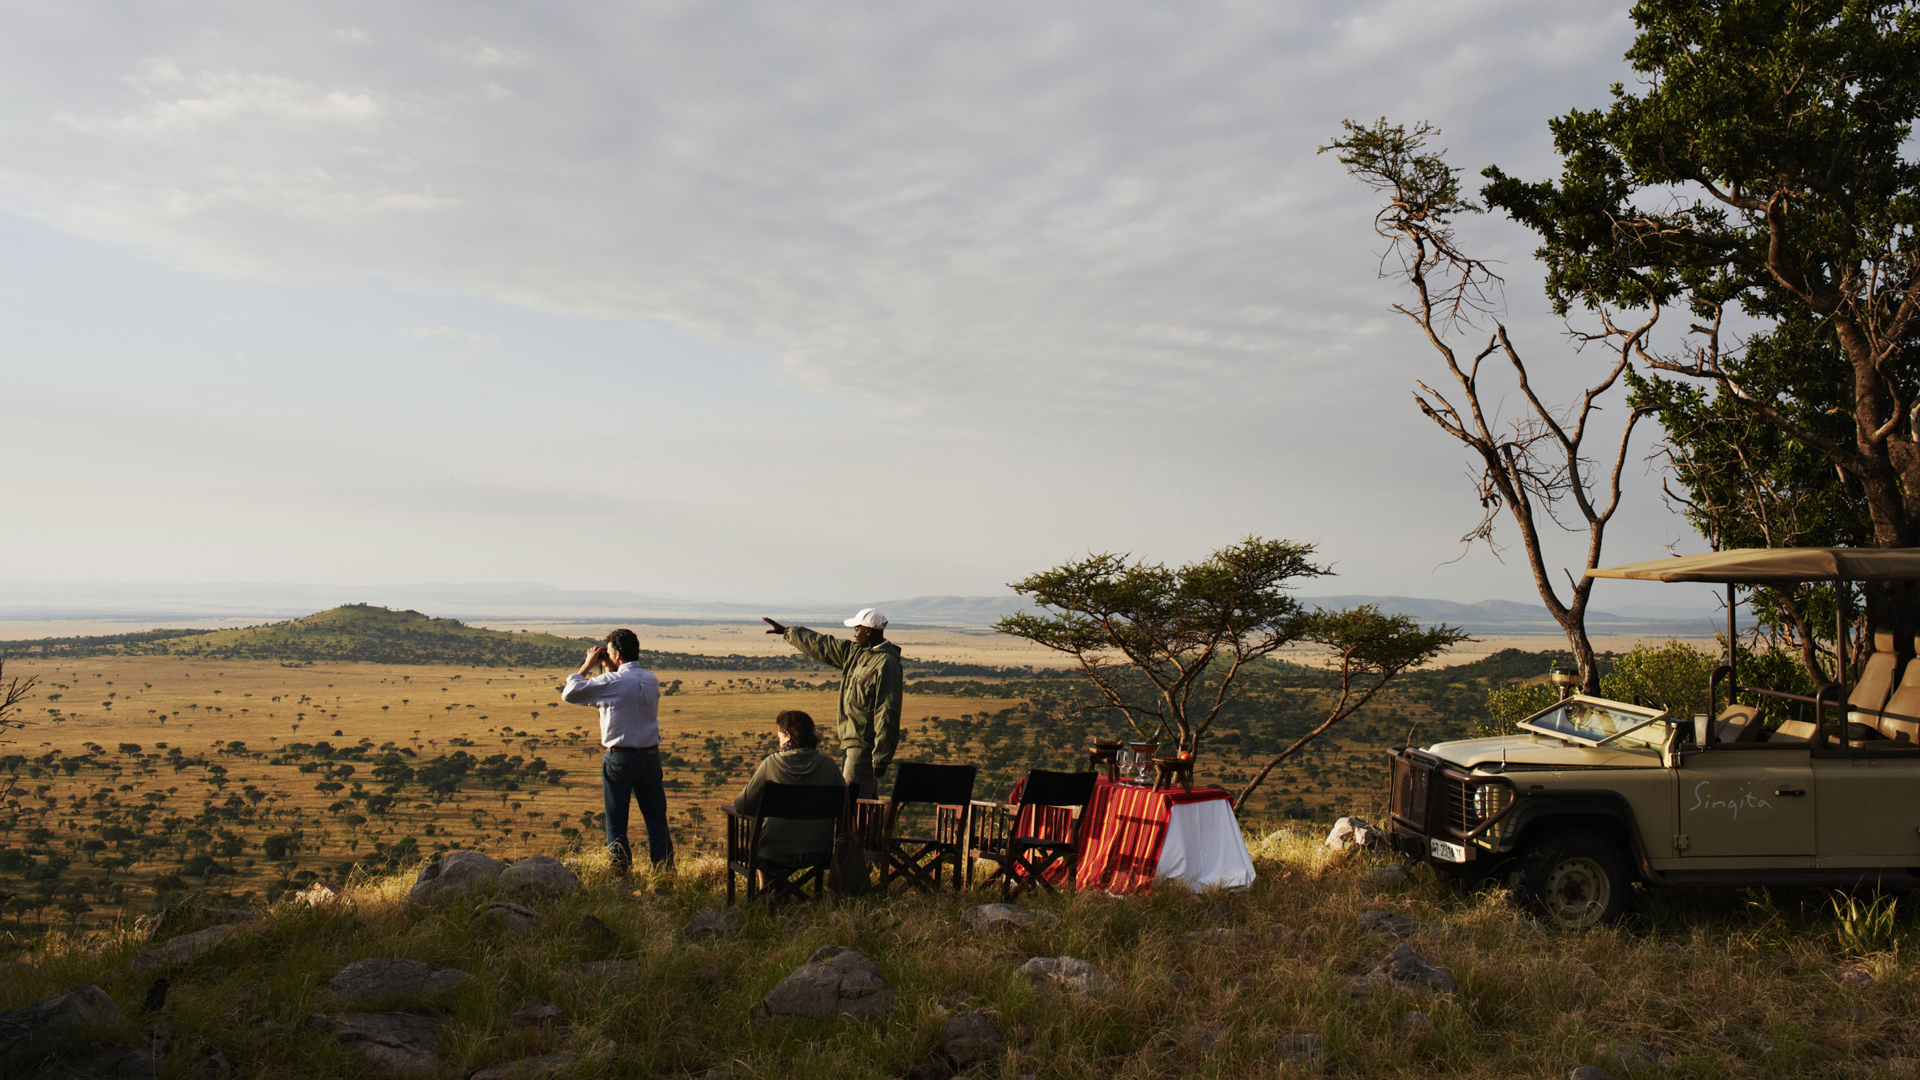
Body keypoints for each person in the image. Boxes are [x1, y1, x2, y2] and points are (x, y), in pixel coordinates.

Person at [561, 628, 673, 875]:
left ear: (617, 654)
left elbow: (570, 693)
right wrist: (609, 668)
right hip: (651, 758)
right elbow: (618, 698)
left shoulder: (610, 682)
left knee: (617, 823)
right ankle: (665, 875)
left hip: (620, 759)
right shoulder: (650, 679)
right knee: (656, 821)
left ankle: (621, 876)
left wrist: (587, 664)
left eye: (609, 650)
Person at [762, 608, 903, 798]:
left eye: (857, 628)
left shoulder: (886, 663)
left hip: (864, 746)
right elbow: (823, 646)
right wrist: (789, 632)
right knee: (860, 803)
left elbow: (887, 712)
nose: (854, 633)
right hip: (852, 742)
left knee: (848, 804)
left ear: (868, 630)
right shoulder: (857, 654)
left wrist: (881, 757)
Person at [731, 709, 846, 866]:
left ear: (788, 736)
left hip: (773, 851)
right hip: (819, 850)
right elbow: (845, 805)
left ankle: (766, 888)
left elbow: (741, 805)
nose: (779, 742)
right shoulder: (829, 764)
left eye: (780, 737)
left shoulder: (771, 763)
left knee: (763, 831)